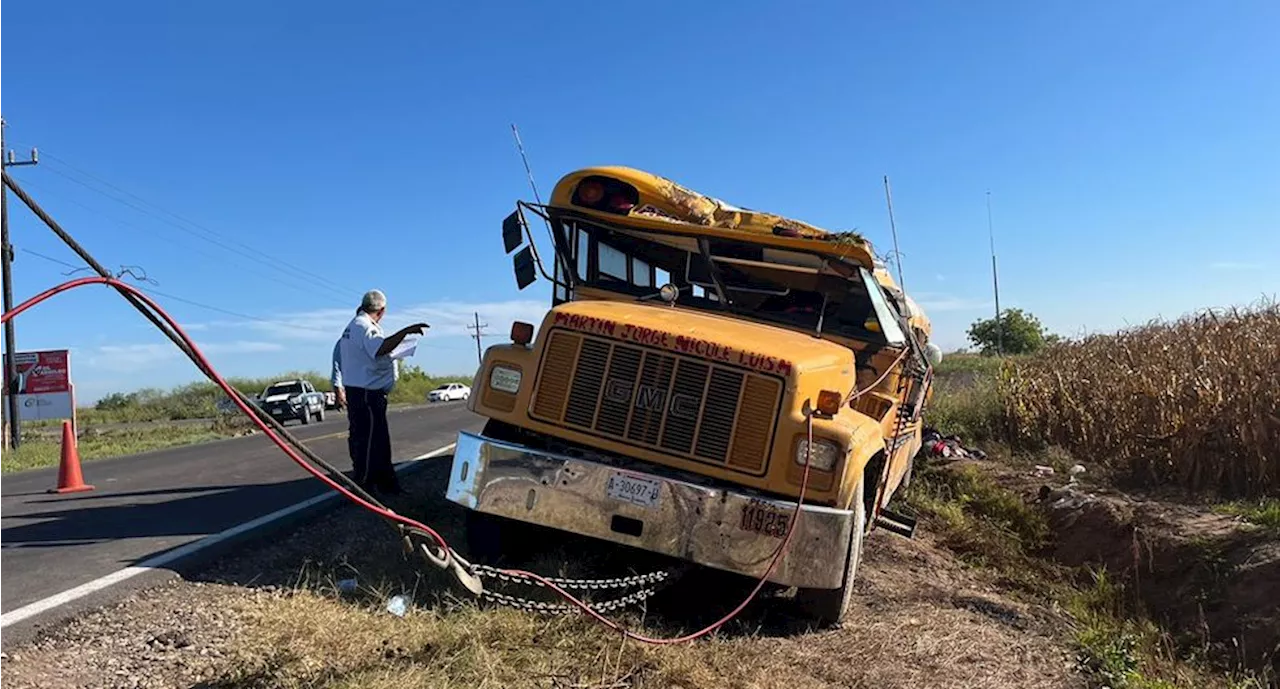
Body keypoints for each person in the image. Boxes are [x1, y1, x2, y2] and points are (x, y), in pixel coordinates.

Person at [335, 289, 428, 495]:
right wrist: (405, 332)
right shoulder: (363, 326)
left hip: (363, 392)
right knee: (369, 442)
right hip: (366, 394)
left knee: (377, 441)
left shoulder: (356, 326)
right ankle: (366, 487)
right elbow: (380, 348)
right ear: (382, 310)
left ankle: (387, 483)